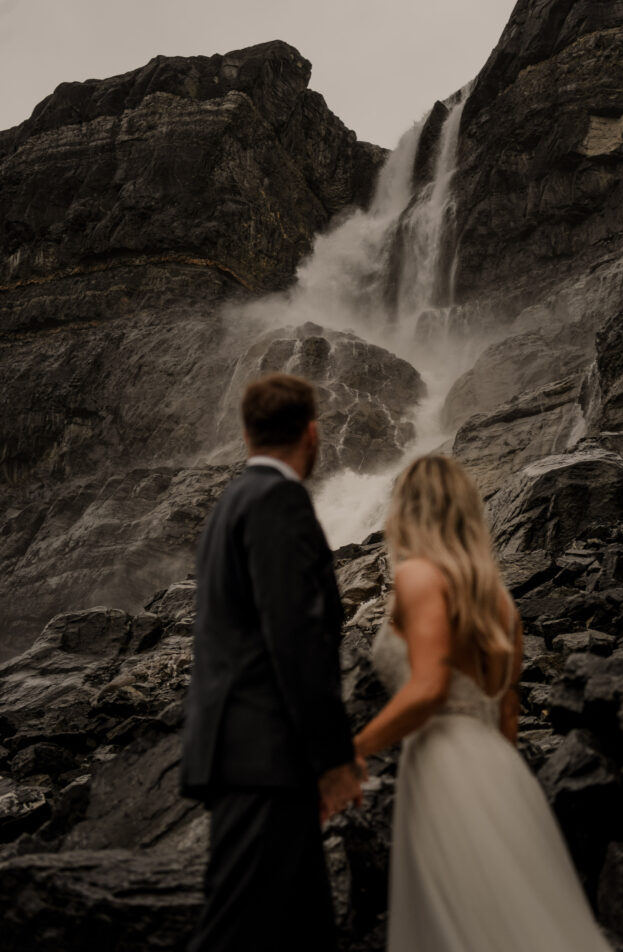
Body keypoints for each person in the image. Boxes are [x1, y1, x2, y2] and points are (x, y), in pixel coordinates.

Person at [355, 454, 612, 952]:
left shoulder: (420, 577)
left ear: (409, 510)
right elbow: (507, 714)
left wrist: (356, 749)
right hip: (499, 770)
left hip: (443, 764)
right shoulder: (496, 599)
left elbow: (429, 689)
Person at [181, 372, 363, 952]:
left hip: (244, 750)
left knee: (304, 932)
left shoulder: (231, 503)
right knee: (232, 933)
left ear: (245, 434)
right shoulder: (277, 502)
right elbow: (296, 636)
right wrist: (332, 759)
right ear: (312, 433)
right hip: (263, 757)